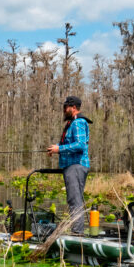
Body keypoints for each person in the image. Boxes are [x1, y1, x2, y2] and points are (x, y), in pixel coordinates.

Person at [47, 96, 92, 235]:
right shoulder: (72, 123)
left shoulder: (78, 122)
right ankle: (77, 231)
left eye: (66, 107)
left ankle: (77, 233)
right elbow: (71, 143)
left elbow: (80, 145)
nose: (64, 110)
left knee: (75, 199)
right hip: (72, 166)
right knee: (74, 198)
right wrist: (57, 147)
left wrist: (59, 149)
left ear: (73, 108)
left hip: (76, 166)